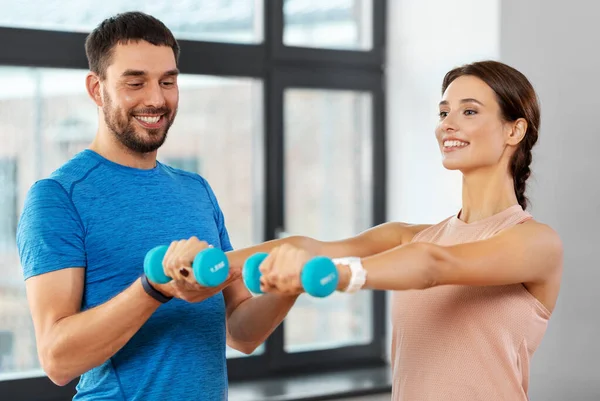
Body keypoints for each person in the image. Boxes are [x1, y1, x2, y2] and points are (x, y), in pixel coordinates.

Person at [198, 60, 563, 400]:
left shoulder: (534, 242)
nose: (446, 124)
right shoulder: (408, 236)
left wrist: (337, 276)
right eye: (443, 112)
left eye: (468, 111)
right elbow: (311, 245)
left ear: (514, 129)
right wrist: (210, 266)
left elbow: (433, 265)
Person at [16, 12, 302, 401]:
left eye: (168, 81)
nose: (156, 99)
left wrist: (287, 289)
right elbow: (58, 360)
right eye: (135, 82)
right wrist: (153, 288)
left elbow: (241, 333)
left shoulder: (196, 189)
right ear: (97, 90)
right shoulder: (58, 196)